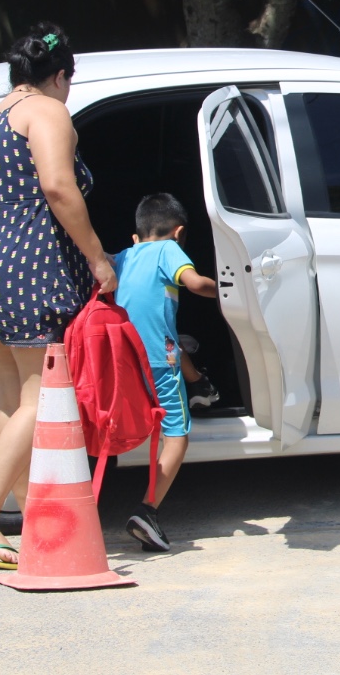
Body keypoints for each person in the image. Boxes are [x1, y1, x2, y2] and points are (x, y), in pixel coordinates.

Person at [0, 22, 118, 568]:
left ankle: (31, 524)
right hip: (32, 266)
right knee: (40, 398)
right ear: (61, 75)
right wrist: (97, 257)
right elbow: (57, 185)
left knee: (11, 400)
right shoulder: (47, 112)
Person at [114, 192, 218, 552]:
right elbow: (194, 283)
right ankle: (148, 511)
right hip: (159, 362)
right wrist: (226, 292)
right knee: (177, 435)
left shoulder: (124, 257)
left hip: (124, 359)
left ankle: (201, 386)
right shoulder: (168, 250)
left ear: (135, 236)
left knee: (179, 342)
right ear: (179, 233)